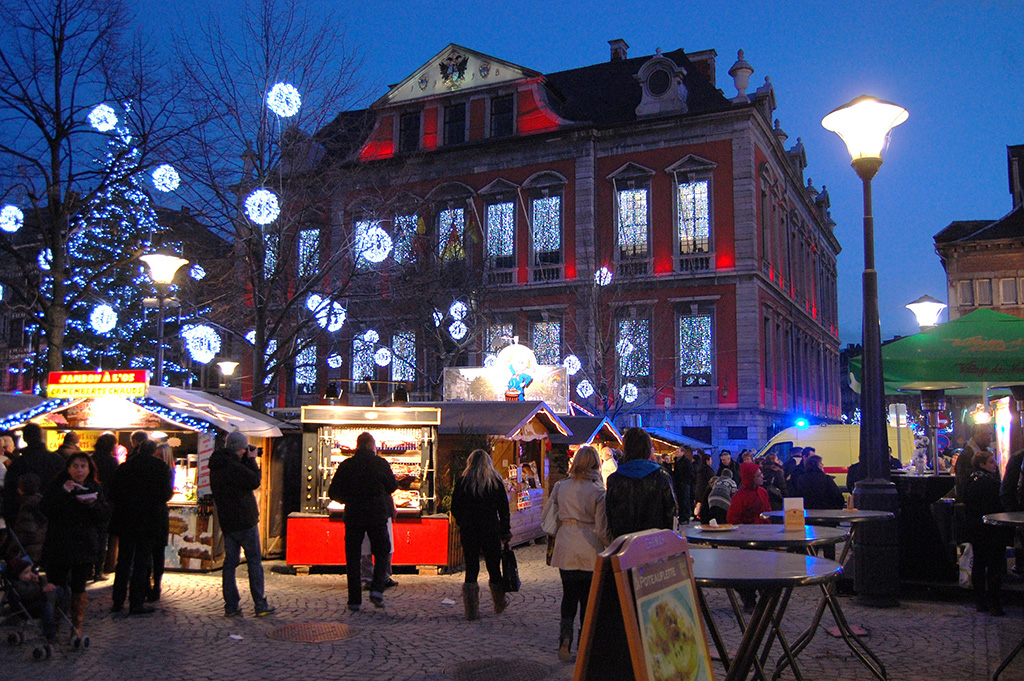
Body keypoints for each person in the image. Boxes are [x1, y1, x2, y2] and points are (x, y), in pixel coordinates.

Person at [541, 445, 609, 662]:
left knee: (568, 595)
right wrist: (610, 545)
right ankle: (585, 643)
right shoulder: (599, 492)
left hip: (566, 544)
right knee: (588, 599)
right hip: (590, 547)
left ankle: (565, 640)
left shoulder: (561, 487)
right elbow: (601, 527)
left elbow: (549, 514)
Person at [40, 452, 110, 636]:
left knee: (79, 585)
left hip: (84, 543)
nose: (79, 470)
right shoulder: (58, 486)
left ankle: (76, 625)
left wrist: (93, 505)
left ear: (89, 469)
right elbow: (46, 509)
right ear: (68, 468)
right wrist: (65, 493)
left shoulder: (94, 487)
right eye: (76, 466)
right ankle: (53, 622)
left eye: (83, 466)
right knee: (56, 582)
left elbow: (104, 515)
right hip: (60, 543)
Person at [328, 431, 397, 612]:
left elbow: (333, 492)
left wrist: (348, 499)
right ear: (372, 446)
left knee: (352, 557)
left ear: (357, 446)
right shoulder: (380, 464)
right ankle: (377, 589)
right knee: (382, 551)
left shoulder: (346, 465)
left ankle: (354, 600)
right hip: (377, 515)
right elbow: (393, 486)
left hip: (354, 515)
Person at [210, 431, 275, 618]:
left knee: (230, 563)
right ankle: (260, 603)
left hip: (228, 521)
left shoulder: (217, 465)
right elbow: (253, 481)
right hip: (245, 521)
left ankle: (231, 605)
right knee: (254, 562)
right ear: (240, 448)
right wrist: (252, 460)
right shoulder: (233, 466)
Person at [108, 439, 173, 615]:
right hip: (149, 520)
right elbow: (166, 494)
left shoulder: (125, 467)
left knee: (123, 561)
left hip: (126, 519)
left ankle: (118, 600)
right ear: (153, 451)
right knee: (141, 562)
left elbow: (113, 493)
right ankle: (136, 602)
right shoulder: (160, 468)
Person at [450, 449, 511, 620]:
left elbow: (455, 507)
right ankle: (499, 603)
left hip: (469, 529)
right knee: (494, 567)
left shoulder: (463, 481)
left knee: (471, 567)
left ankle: (471, 610)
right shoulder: (495, 482)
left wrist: (463, 521)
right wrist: (505, 530)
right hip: (491, 529)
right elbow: (503, 509)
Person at [963, 451, 1012, 615]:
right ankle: (995, 603)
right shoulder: (991, 484)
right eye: (991, 462)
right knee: (994, 566)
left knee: (979, 564)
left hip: (977, 530)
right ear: (982, 464)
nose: (995, 465)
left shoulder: (971, 481)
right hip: (992, 530)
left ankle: (980, 602)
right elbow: (998, 505)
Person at [605, 428, 677, 539]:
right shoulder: (661, 476)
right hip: (656, 543)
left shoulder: (614, 479)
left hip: (625, 544)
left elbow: (610, 516)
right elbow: (671, 513)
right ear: (648, 448)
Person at [727, 462, 772, 612]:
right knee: (747, 570)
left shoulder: (763, 492)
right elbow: (732, 518)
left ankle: (763, 596)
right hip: (747, 538)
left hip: (763, 536)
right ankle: (750, 599)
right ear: (751, 478)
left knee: (762, 568)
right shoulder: (739, 497)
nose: (762, 477)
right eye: (759, 475)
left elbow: (768, 512)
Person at [3, 423, 64, 527]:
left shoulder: (19, 463)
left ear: (25, 438)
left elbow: (9, 493)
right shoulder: (57, 460)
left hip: (25, 520)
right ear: (41, 436)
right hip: (54, 517)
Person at [7, 556, 66, 643]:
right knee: (47, 606)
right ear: (17, 576)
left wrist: (39, 581)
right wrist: (42, 589)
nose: (30, 574)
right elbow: (27, 593)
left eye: (30, 571)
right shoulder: (17, 585)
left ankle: (60, 614)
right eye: (26, 573)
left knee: (60, 591)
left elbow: (40, 587)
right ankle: (50, 633)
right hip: (29, 606)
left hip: (38, 600)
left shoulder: (29, 580)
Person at [91, 433, 120, 579]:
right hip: (105, 503)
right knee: (102, 537)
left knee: (90, 536)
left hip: (90, 501)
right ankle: (98, 570)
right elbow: (116, 483)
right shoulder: (112, 461)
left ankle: (89, 569)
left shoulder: (91, 458)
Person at [148, 442, 175, 602]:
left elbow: (167, 494)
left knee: (157, 553)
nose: (157, 459)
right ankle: (152, 584)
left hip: (157, 515)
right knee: (154, 552)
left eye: (159, 456)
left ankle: (155, 584)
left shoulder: (166, 470)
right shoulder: (163, 470)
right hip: (157, 515)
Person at [12, 474, 46, 563]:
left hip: (29, 553)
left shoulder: (26, 507)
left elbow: (26, 532)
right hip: (41, 549)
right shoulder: (42, 502)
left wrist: (12, 551)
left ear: (20, 489)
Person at [956, 425, 994, 500]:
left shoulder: (986, 452)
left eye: (990, 434)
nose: (989, 438)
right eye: (985, 434)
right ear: (975, 435)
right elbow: (965, 484)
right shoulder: (967, 455)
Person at [671, 446, 694, 523]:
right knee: (680, 500)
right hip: (678, 484)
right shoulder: (677, 462)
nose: (676, 453)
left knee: (685, 500)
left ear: (682, 452)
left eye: (678, 452)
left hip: (684, 484)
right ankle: (681, 516)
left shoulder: (686, 462)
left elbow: (690, 473)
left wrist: (685, 481)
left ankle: (685, 517)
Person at [693, 452, 715, 523]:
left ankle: (697, 516)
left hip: (699, 490)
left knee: (699, 505)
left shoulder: (700, 469)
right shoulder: (708, 470)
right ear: (707, 460)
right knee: (705, 506)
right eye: (710, 459)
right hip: (705, 491)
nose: (711, 461)